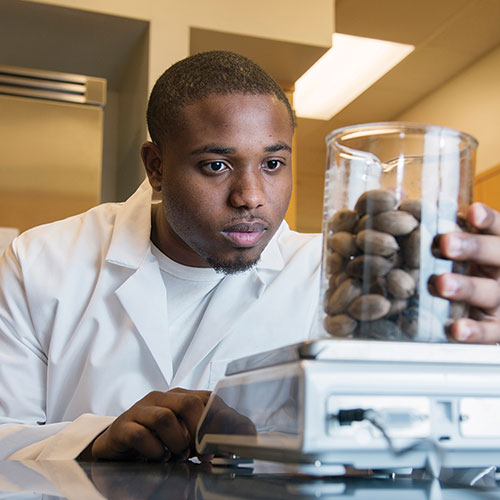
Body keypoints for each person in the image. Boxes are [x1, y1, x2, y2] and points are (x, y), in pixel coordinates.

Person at [0, 51, 499, 463]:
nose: (252, 196)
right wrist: (94, 441)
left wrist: (476, 350)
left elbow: (418, 440)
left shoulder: (337, 274)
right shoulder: (39, 261)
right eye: (216, 165)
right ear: (156, 167)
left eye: (273, 163)